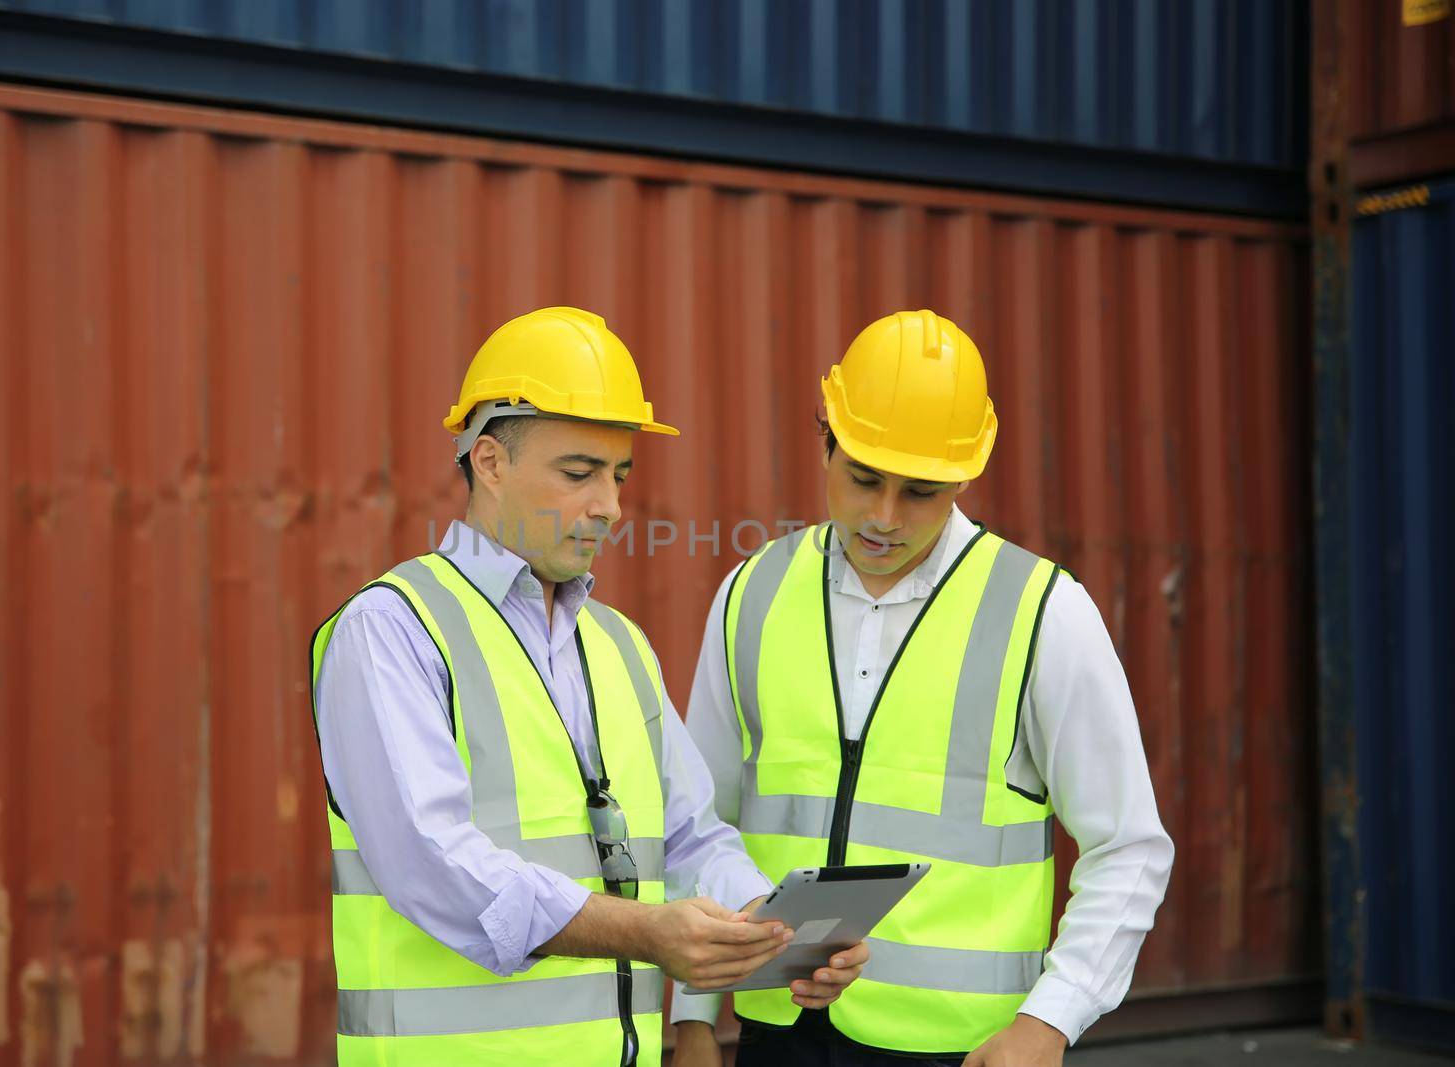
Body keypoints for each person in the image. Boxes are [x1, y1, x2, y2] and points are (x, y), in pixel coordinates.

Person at [308, 306, 868, 1067]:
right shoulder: (391, 630)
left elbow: (688, 836)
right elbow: (431, 863)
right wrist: (647, 932)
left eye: (619, 475)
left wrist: (771, 929)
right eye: (578, 473)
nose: (609, 504)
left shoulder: (619, 646)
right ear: (489, 461)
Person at [671, 310, 1174, 1067]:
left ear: (966, 476)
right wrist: (694, 1020)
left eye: (921, 492)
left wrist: (1050, 1020)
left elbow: (1128, 846)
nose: (882, 517)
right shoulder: (753, 593)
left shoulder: (1043, 612)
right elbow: (699, 821)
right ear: (826, 441)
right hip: (775, 1042)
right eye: (863, 478)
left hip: (964, 1052)